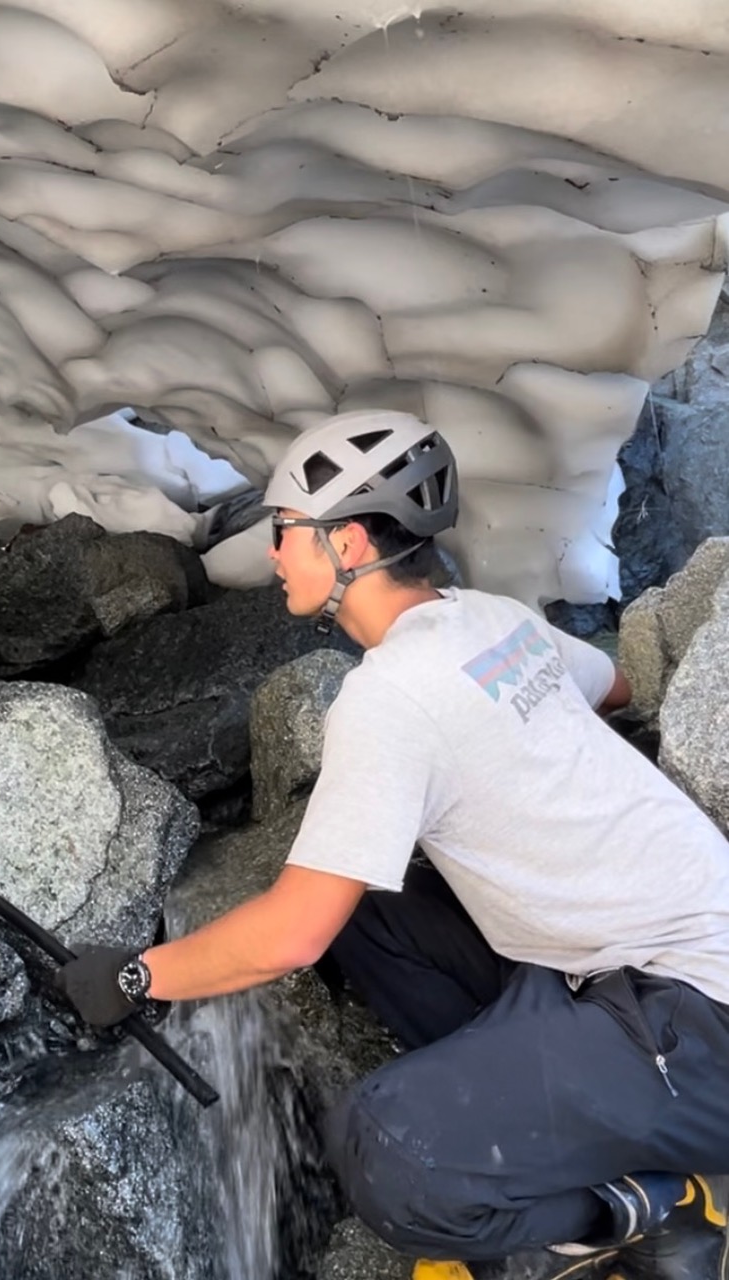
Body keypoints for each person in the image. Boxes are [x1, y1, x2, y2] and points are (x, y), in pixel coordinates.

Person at [55, 410, 729, 1280]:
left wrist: (135, 977)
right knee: (373, 913)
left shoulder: (389, 697)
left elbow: (291, 933)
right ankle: (530, 1121)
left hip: (699, 1028)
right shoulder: (489, 618)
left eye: (287, 532)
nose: (273, 553)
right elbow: (616, 685)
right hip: (648, 960)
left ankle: (653, 1209)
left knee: (387, 1154)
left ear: (348, 545)